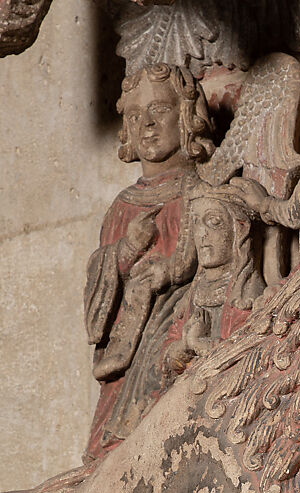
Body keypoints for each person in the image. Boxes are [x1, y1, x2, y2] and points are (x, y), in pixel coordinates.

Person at [83, 64, 214, 462]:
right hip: (129, 344)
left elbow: (207, 258)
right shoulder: (122, 207)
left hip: (176, 326)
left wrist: (172, 271)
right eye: (135, 116)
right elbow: (100, 282)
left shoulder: (197, 191)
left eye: (160, 110)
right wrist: (127, 250)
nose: (148, 124)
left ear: (187, 117)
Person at [163, 187, 265, 378]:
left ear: (239, 230)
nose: (201, 233)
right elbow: (167, 357)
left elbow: (246, 357)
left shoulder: (246, 295)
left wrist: (199, 344)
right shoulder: (192, 294)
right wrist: (184, 348)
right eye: (196, 223)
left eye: (214, 222)